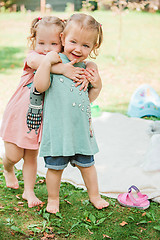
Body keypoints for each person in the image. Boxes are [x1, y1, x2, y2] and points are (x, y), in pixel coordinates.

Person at [0, 16, 87, 208]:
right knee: (14, 156)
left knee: (30, 156)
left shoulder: (62, 61)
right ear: (34, 41)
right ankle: (7, 167)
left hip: (38, 121)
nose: (47, 48)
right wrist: (62, 69)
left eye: (53, 43)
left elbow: (83, 64)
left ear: (62, 42)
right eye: (41, 42)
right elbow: (40, 61)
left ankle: (28, 191)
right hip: (17, 116)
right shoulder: (34, 58)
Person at [34, 13, 109, 214]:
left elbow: (90, 98)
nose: (78, 48)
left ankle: (94, 195)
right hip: (57, 129)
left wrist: (97, 84)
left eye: (86, 45)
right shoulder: (55, 62)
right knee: (55, 169)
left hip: (80, 129)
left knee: (88, 166)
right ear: (62, 39)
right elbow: (40, 87)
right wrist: (47, 63)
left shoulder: (87, 67)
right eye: (73, 41)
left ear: (93, 47)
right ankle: (53, 199)